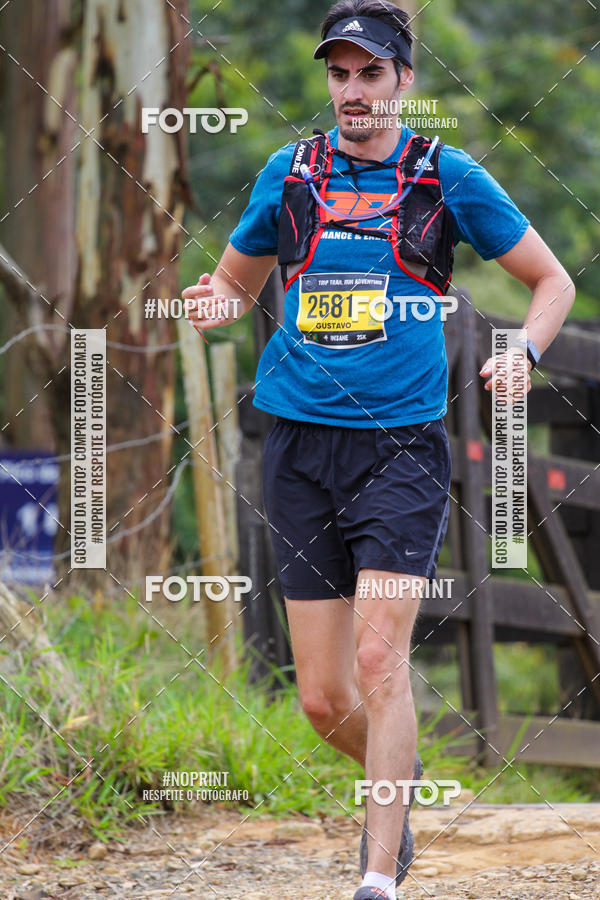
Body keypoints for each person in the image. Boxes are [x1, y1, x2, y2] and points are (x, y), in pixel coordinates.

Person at [183, 2, 575, 896]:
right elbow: (234, 287)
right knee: (322, 700)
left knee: (377, 663)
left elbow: (552, 280)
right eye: (339, 74)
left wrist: (525, 348)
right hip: (294, 444)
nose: (352, 91)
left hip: (399, 449)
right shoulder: (289, 173)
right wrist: (211, 303)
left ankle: (377, 873)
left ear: (405, 80)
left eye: (371, 72)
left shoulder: (448, 176)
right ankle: (395, 790)